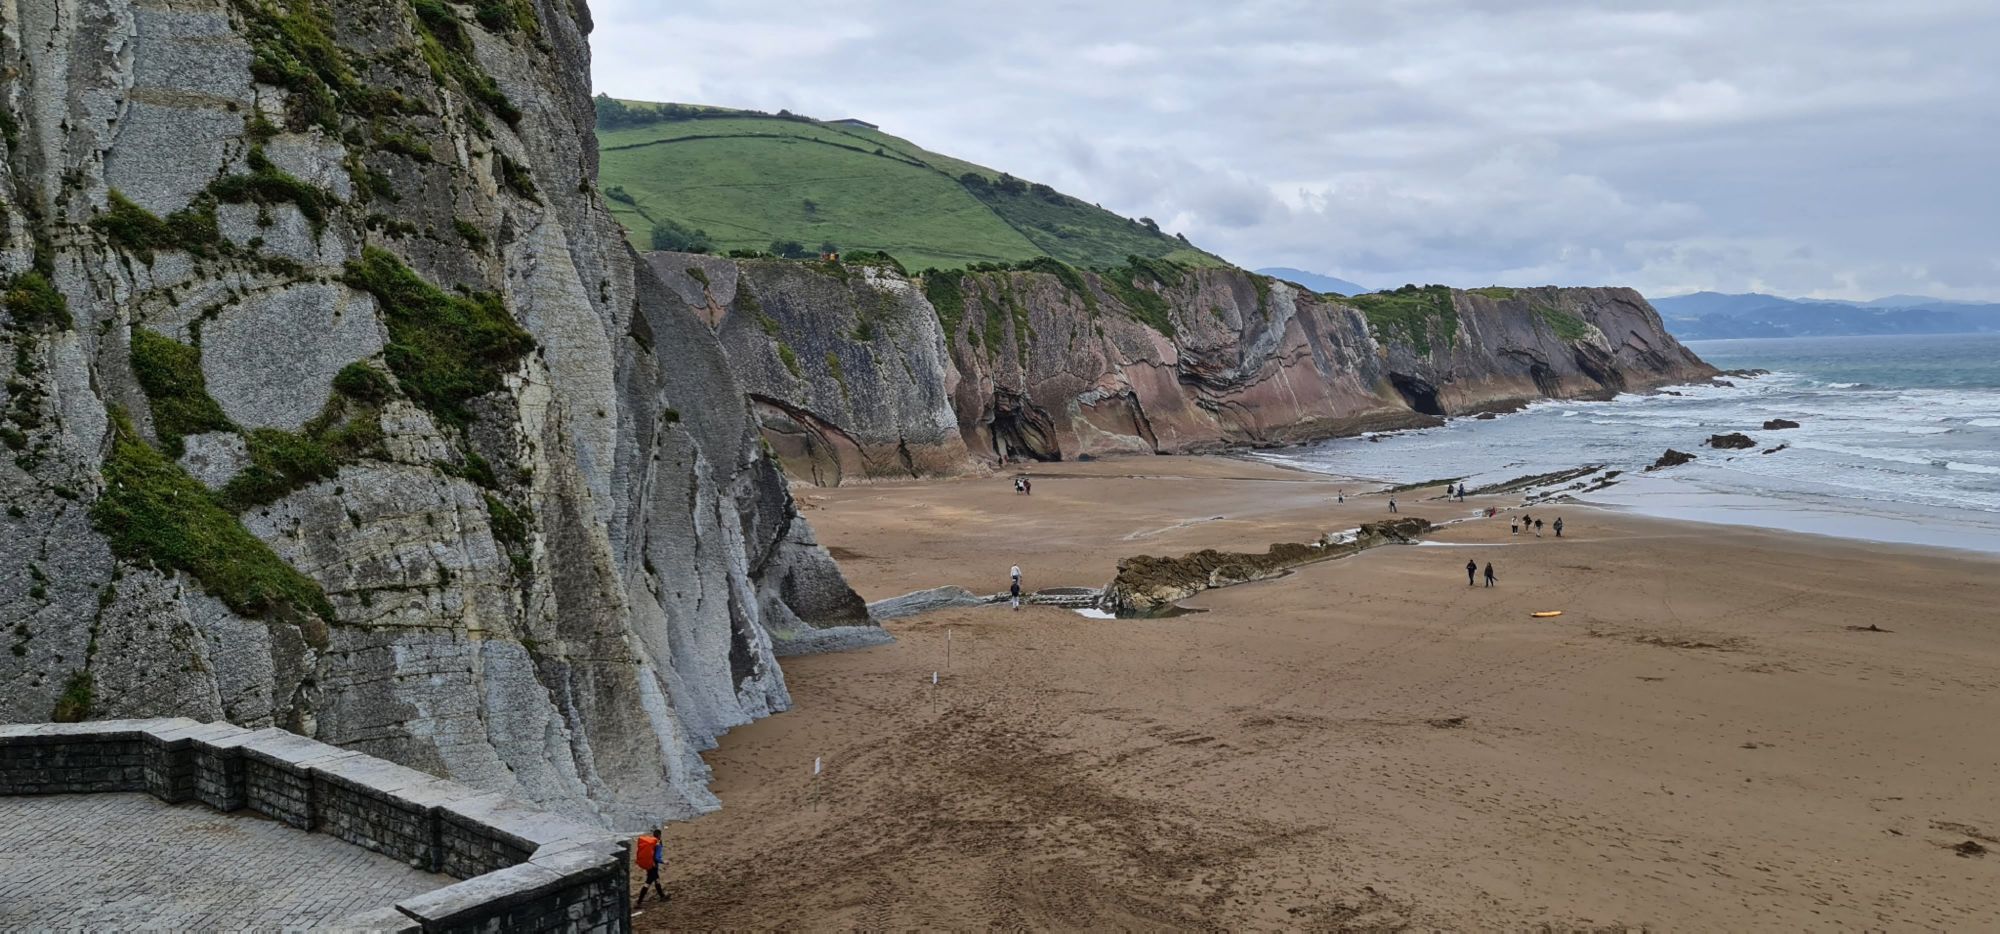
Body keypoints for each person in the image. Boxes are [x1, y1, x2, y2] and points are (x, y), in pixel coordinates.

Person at [634, 828, 668, 906]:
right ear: (659, 835)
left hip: (649, 864)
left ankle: (662, 896)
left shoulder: (651, 842)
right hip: (654, 865)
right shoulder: (658, 844)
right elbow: (657, 857)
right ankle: (639, 902)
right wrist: (664, 861)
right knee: (648, 882)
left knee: (656, 879)